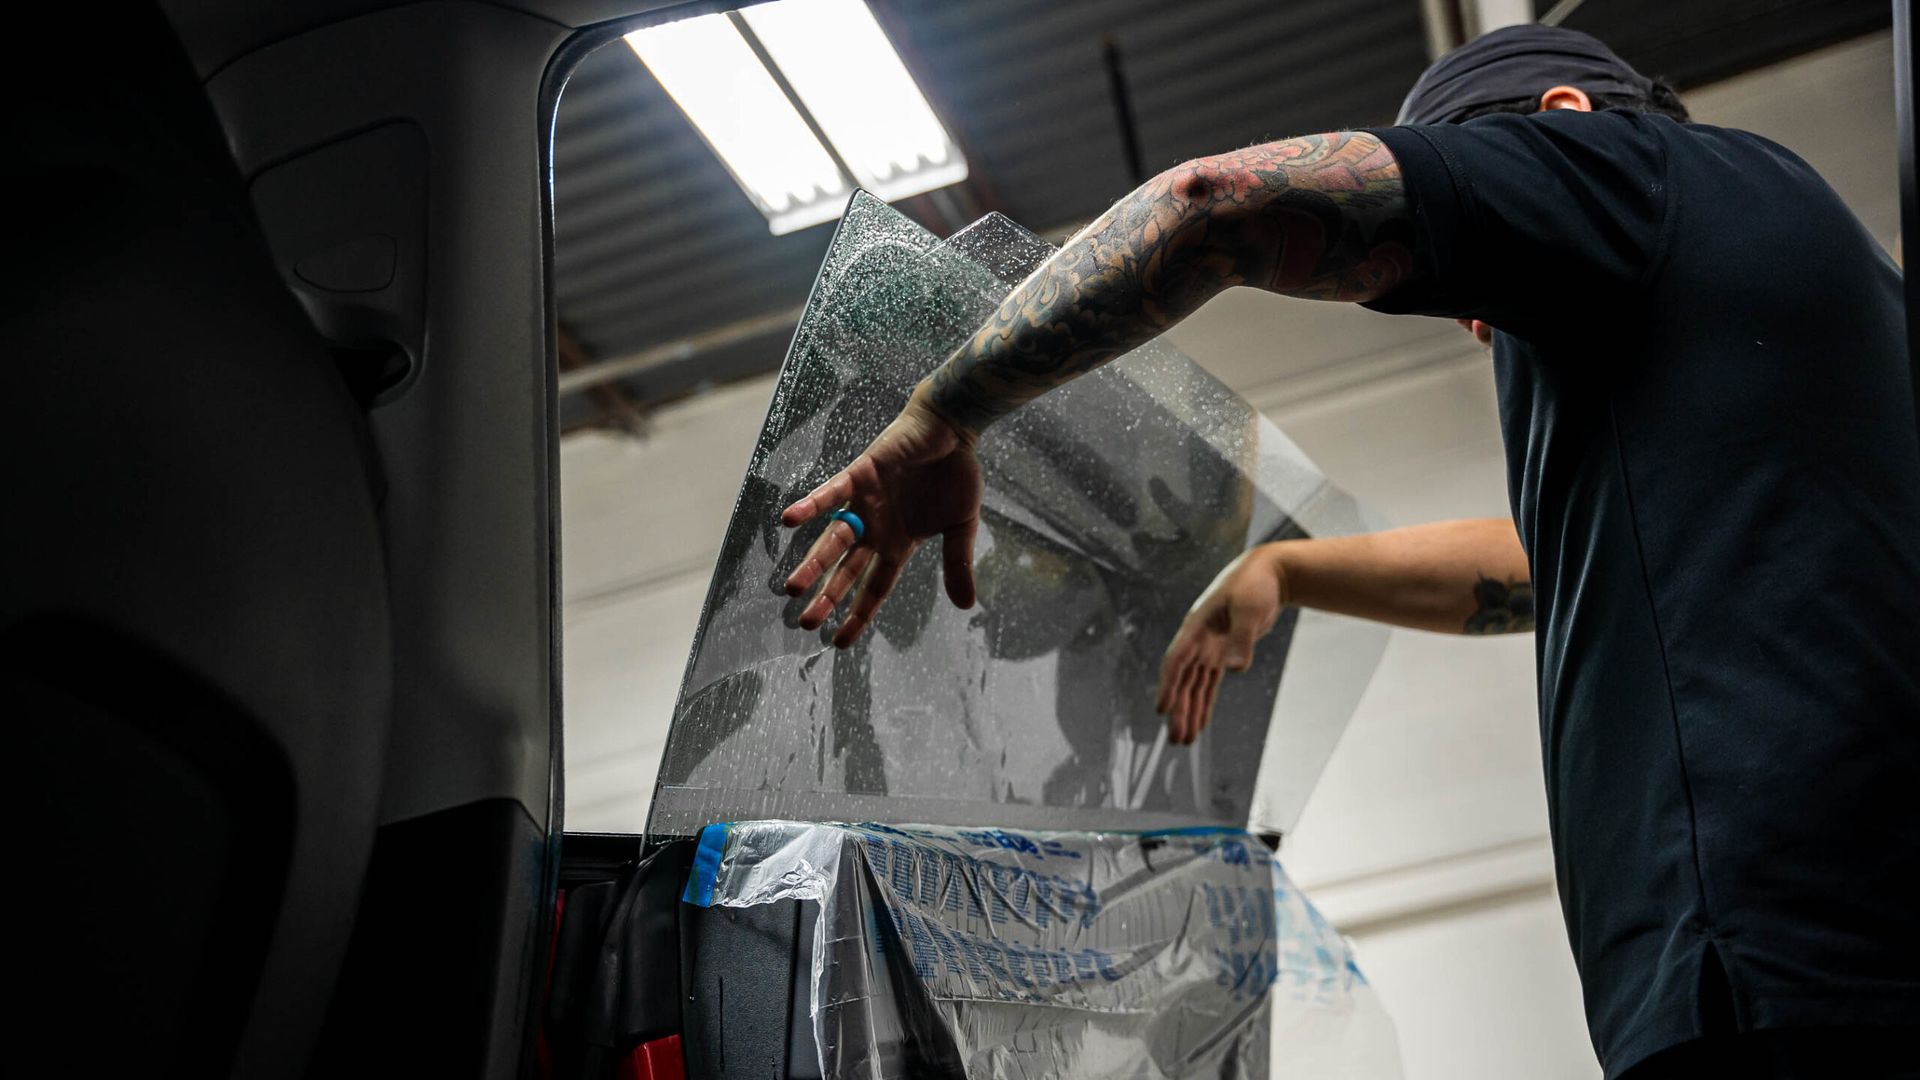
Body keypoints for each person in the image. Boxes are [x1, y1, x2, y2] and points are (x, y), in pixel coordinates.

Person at [777, 23, 1920, 1080]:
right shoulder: (1809, 278)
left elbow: (1213, 202)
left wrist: (945, 411)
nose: (1475, 320)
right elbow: (1556, 568)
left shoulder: (1629, 174)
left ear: (1565, 114)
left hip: (1780, 973)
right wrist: (1294, 568)